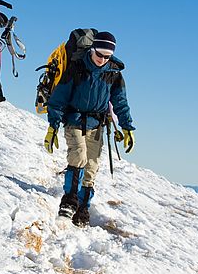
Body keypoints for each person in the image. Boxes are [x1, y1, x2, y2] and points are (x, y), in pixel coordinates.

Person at [43, 31, 135, 226]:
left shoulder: (114, 74)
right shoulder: (77, 68)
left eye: (107, 56)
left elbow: (120, 102)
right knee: (79, 155)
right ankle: (69, 200)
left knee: (91, 167)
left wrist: (127, 127)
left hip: (97, 125)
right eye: (99, 54)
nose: (102, 59)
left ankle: (83, 207)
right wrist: (53, 127)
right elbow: (58, 100)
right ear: (92, 49)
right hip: (74, 119)